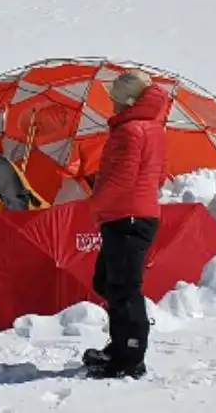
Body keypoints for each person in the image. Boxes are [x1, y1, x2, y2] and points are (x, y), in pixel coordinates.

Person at [84, 69, 170, 380]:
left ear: (128, 101)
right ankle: (120, 346)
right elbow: (158, 175)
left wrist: (94, 206)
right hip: (134, 214)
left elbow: (120, 180)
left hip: (126, 216)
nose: (112, 105)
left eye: (115, 100)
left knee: (123, 289)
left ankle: (129, 357)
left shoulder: (130, 131)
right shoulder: (153, 128)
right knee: (107, 282)